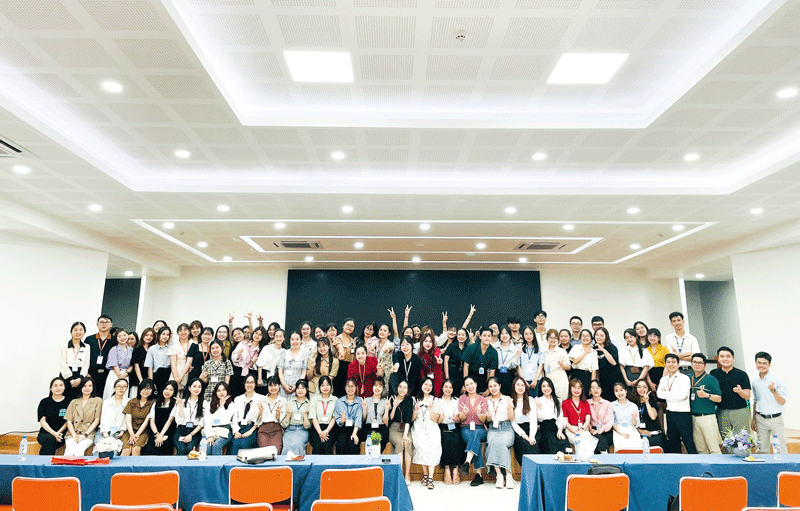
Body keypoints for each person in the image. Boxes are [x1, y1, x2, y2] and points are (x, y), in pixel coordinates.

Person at [657, 354, 697, 454]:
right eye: (668, 362)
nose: (671, 364)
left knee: (688, 442)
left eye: (673, 362)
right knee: (673, 443)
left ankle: (696, 462)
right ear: (665, 364)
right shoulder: (663, 379)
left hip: (683, 414)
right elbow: (659, 395)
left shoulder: (684, 378)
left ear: (678, 364)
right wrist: (675, 394)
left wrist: (667, 394)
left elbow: (682, 395)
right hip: (670, 414)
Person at [710, 346, 752, 437]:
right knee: (727, 440)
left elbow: (747, 395)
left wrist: (740, 391)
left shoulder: (742, 374)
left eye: (728, 356)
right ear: (718, 359)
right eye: (722, 356)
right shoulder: (713, 373)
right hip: (721, 412)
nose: (725, 359)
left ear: (733, 359)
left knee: (743, 440)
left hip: (739, 411)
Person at [751, 351, 787, 454]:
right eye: (759, 362)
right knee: (762, 450)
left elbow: (782, 401)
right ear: (756, 363)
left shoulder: (779, 380)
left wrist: (773, 391)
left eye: (764, 363)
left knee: (780, 449)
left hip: (775, 419)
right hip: (760, 419)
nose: (761, 365)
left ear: (769, 364)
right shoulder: (754, 381)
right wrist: (754, 419)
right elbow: (755, 401)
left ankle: (783, 465)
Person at [456, 376, 489, 487]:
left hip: (480, 428)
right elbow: (461, 419)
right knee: (475, 441)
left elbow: (484, 420)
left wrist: (479, 413)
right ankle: (478, 475)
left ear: (476, 384)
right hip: (466, 428)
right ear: (465, 387)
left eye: (471, 384)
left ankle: (467, 462)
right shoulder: (462, 398)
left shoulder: (482, 399)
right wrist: (464, 414)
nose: (470, 387)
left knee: (475, 434)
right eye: (467, 385)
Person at [485, 377, 515, 489]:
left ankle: (508, 474)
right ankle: (499, 475)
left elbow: (511, 418)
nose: (493, 388)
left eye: (495, 386)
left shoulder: (507, 399)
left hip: (506, 427)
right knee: (492, 442)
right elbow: (486, 420)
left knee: (502, 443)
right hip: (493, 428)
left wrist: (510, 410)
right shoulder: (486, 400)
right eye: (490, 386)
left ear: (500, 386)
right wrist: (487, 417)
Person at [689, 353, 722, 454]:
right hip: (693, 418)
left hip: (707, 417)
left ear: (705, 365)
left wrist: (707, 395)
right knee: (701, 450)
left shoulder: (711, 379)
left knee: (714, 449)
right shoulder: (688, 378)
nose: (697, 364)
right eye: (695, 362)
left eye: (700, 363)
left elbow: (719, 398)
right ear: (691, 364)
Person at [412, 377, 442, 490]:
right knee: (422, 447)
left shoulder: (435, 400)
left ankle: (430, 478)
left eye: (430, 385)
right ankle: (425, 474)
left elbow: (436, 419)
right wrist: (415, 411)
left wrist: (431, 410)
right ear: (421, 385)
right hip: (419, 427)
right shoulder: (415, 399)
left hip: (432, 427)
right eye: (425, 384)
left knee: (432, 448)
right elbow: (412, 419)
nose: (427, 387)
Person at [434, 379, 465, 485]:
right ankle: (447, 470)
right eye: (446, 387)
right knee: (444, 439)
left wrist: (457, 419)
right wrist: (440, 418)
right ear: (442, 388)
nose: (448, 389)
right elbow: (436, 420)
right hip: (442, 426)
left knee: (457, 439)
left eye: (450, 387)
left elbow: (460, 419)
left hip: (454, 425)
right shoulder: (437, 401)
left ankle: (456, 470)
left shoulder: (457, 401)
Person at [63, 376, 102, 456]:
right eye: (84, 386)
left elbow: (97, 420)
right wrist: (74, 436)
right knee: (69, 450)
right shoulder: (74, 402)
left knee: (79, 450)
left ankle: (78, 465)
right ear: (80, 387)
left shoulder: (98, 401)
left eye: (90, 386)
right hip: (72, 433)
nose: (87, 388)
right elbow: (68, 421)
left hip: (88, 434)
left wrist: (85, 435)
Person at [386, 379, 415, 486]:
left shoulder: (409, 400)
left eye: (405, 388)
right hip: (394, 428)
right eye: (400, 387)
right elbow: (390, 418)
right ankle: (399, 475)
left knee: (407, 443)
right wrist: (393, 407)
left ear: (407, 390)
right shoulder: (392, 398)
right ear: (397, 388)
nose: (402, 390)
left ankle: (407, 474)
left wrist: (405, 435)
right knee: (399, 443)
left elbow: (408, 419)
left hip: (405, 429)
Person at [120, 379, 155, 456]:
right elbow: (128, 421)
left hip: (143, 431)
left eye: (149, 389)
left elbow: (146, 421)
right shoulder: (132, 402)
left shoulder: (153, 403)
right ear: (140, 389)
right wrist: (132, 434)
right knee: (126, 450)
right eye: (144, 388)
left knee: (136, 448)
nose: (146, 391)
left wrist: (136, 435)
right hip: (130, 430)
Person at [535, 377, 569, 454]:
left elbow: (560, 417)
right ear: (540, 388)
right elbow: (540, 418)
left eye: (548, 386)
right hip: (545, 428)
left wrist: (560, 430)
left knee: (564, 443)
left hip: (557, 427)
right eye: (543, 386)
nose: (546, 388)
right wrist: (540, 408)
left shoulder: (558, 400)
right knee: (551, 444)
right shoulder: (538, 400)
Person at [230, 374, 262, 455]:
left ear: (255, 384)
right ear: (244, 384)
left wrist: (250, 431)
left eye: (252, 382)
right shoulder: (238, 399)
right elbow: (234, 418)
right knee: (235, 445)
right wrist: (236, 431)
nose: (249, 385)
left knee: (245, 444)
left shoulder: (261, 398)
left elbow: (260, 419)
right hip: (239, 427)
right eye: (247, 382)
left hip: (252, 428)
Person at [144, 380, 178, 456]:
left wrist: (161, 435)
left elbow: (170, 421)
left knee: (164, 450)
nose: (167, 392)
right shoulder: (156, 403)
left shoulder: (175, 404)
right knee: (150, 451)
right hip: (155, 431)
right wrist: (157, 434)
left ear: (174, 392)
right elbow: (152, 421)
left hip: (168, 431)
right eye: (166, 389)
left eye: (171, 390)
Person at [37, 377, 69, 455]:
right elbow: (42, 421)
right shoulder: (44, 402)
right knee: (50, 439)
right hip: (46, 432)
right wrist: (54, 434)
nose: (58, 388)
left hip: (62, 433)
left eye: (61, 385)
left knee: (50, 440)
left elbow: (68, 421)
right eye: (55, 386)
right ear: (51, 388)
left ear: (64, 387)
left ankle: (43, 461)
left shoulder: (69, 402)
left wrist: (58, 433)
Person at [510, 376, 538, 467]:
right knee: (524, 444)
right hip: (518, 430)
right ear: (514, 386)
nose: (520, 387)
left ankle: (535, 472)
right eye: (518, 385)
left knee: (534, 444)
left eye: (522, 385)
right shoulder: (511, 401)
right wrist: (523, 434)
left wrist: (531, 435)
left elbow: (533, 419)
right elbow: (512, 421)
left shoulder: (530, 400)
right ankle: (526, 471)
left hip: (531, 428)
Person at [462, 327, 499, 395]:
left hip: (483, 379)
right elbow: (466, 366)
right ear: (480, 336)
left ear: (491, 337)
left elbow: (492, 372)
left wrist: (489, 389)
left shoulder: (494, 352)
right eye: (484, 335)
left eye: (489, 336)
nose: (486, 338)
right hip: (470, 377)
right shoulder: (471, 348)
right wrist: (465, 384)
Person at [85, 315, 114, 396]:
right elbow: (84, 357)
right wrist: (85, 372)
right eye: (101, 322)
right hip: (91, 373)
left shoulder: (115, 340)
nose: (104, 324)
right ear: (97, 324)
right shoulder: (89, 339)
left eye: (106, 322)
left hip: (107, 374)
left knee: (104, 397)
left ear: (111, 324)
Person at [61, 322, 90, 402]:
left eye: (81, 330)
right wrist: (70, 379)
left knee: (79, 400)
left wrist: (80, 378)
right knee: (65, 400)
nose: (78, 332)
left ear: (84, 332)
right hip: (67, 376)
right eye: (75, 330)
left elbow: (86, 364)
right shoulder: (64, 346)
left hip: (80, 376)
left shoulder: (87, 347)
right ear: (71, 332)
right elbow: (63, 364)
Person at [537, 329, 570, 400]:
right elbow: (541, 366)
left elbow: (569, 367)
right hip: (548, 379)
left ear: (557, 339)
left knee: (561, 400)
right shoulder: (543, 351)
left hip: (560, 380)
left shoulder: (561, 351)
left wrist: (562, 365)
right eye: (550, 338)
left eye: (555, 338)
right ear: (547, 339)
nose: (552, 340)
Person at [174, 378, 204, 455]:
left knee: (189, 449)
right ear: (189, 388)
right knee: (181, 449)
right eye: (194, 386)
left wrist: (191, 435)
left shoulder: (204, 403)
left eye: (199, 387)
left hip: (195, 432)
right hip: (181, 430)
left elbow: (201, 423)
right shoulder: (182, 401)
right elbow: (179, 421)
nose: (197, 389)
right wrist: (181, 407)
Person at [204, 382, 234, 455]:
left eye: (223, 390)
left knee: (216, 445)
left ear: (227, 391)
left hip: (225, 430)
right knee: (208, 445)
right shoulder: (209, 404)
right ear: (215, 393)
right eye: (219, 390)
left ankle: (216, 463)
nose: (221, 392)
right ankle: (208, 463)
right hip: (212, 430)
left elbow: (226, 420)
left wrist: (221, 406)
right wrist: (210, 436)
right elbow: (207, 421)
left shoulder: (231, 404)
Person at [257, 376, 287, 451]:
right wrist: (260, 412)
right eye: (270, 385)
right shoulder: (261, 400)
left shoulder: (283, 400)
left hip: (276, 429)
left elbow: (282, 421)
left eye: (275, 385)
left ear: (279, 386)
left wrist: (278, 414)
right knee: (265, 452)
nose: (273, 388)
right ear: (267, 387)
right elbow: (256, 421)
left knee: (277, 450)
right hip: (264, 430)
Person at [278, 331, 311, 399]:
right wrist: (284, 385)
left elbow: (304, 372)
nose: (295, 342)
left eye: (297, 339)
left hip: (298, 389)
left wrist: (296, 386)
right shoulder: (284, 353)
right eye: (292, 339)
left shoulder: (305, 353)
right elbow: (280, 371)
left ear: (301, 341)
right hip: (283, 388)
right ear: (289, 341)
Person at [309, 376, 338, 454]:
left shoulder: (335, 399)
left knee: (327, 446)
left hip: (330, 428)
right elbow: (313, 418)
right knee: (317, 446)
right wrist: (320, 433)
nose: (325, 387)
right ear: (319, 387)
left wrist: (326, 431)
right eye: (322, 385)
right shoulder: (314, 400)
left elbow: (334, 418)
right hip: (316, 428)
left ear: (331, 386)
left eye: (327, 385)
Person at [281, 379, 311, 455]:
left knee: (297, 444)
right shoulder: (289, 402)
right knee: (287, 445)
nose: (300, 390)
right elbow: (284, 425)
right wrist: (288, 414)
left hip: (302, 430)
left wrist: (305, 414)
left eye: (303, 388)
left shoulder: (309, 404)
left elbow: (307, 426)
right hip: (290, 429)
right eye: (298, 388)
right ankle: (286, 462)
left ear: (307, 389)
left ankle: (298, 462)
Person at [334, 378, 363, 455]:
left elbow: (358, 418)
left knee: (353, 442)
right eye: (348, 386)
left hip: (355, 428)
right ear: (345, 387)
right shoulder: (339, 401)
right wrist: (341, 420)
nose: (350, 389)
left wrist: (354, 433)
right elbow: (337, 418)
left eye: (352, 386)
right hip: (343, 427)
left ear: (356, 388)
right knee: (341, 443)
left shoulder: (359, 401)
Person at [97, 378, 129, 448]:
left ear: (127, 388)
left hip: (119, 432)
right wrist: (105, 434)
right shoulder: (106, 402)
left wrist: (122, 431)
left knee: (113, 449)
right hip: (104, 431)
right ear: (114, 388)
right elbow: (103, 419)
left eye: (124, 386)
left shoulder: (128, 402)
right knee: (100, 448)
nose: (121, 388)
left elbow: (127, 420)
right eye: (119, 386)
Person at [361, 379, 390, 453]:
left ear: (383, 388)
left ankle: (376, 455)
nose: (377, 388)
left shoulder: (385, 401)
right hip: (369, 427)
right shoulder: (366, 400)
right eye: (375, 386)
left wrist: (387, 409)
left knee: (382, 438)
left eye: (380, 386)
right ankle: (372, 455)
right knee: (371, 437)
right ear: (372, 387)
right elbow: (364, 418)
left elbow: (385, 421)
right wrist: (364, 409)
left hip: (381, 427)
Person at [230, 326, 260, 398]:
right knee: (237, 394)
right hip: (239, 372)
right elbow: (233, 357)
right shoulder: (242, 344)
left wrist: (252, 363)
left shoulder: (259, 347)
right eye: (235, 335)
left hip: (251, 372)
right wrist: (238, 355)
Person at [634, 380, 665, 448]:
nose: (642, 389)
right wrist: (640, 431)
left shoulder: (652, 401)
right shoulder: (633, 404)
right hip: (639, 434)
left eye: (644, 387)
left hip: (654, 434)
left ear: (648, 389)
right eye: (639, 387)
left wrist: (647, 402)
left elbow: (653, 416)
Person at [104, 329, 133, 399]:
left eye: (124, 335)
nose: (122, 338)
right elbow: (114, 364)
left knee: (124, 395)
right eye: (119, 336)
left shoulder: (131, 349)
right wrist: (119, 375)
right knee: (112, 393)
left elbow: (132, 364)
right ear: (116, 339)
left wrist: (126, 373)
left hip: (126, 374)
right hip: (115, 374)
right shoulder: (114, 349)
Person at [562, 378, 591, 448]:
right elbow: (565, 422)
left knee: (588, 441)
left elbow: (587, 420)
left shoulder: (585, 403)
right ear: (570, 389)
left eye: (578, 388)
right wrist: (575, 432)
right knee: (579, 442)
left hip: (583, 429)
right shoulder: (565, 403)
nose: (576, 390)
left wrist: (582, 430)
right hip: (571, 430)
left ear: (582, 389)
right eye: (574, 388)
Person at [611, 382, 640, 451]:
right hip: (618, 430)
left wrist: (634, 418)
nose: (619, 393)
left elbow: (636, 425)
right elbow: (613, 423)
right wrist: (621, 433)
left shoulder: (633, 406)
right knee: (621, 448)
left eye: (621, 390)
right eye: (616, 391)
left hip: (631, 429)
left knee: (636, 447)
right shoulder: (611, 405)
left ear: (626, 391)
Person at [332, 318, 357, 396]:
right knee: (338, 391)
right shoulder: (337, 338)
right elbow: (339, 346)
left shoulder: (353, 341)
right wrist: (341, 352)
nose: (349, 327)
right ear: (343, 326)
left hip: (350, 369)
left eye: (351, 326)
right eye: (347, 325)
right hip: (339, 368)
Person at [568, 330, 598, 394]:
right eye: (583, 336)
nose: (585, 338)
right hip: (576, 374)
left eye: (587, 336)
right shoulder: (576, 347)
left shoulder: (594, 352)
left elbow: (594, 370)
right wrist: (585, 352)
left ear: (591, 339)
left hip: (587, 376)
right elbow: (575, 361)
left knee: (585, 396)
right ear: (580, 338)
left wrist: (592, 385)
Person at [587, 380, 613, 453]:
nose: (596, 390)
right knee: (598, 439)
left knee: (603, 439)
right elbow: (586, 419)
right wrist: (590, 429)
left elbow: (610, 420)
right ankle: (604, 455)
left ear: (601, 390)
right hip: (593, 430)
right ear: (590, 390)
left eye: (598, 388)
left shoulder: (607, 403)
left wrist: (602, 430)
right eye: (593, 388)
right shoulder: (587, 403)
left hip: (605, 430)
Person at [594, 327, 618, 401]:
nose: (599, 337)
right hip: (601, 379)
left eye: (602, 336)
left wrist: (603, 350)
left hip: (613, 378)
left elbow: (614, 362)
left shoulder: (611, 347)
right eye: (597, 335)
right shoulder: (593, 348)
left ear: (606, 337)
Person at [256, 328, 284, 394]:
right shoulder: (267, 348)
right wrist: (259, 378)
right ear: (274, 337)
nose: (279, 338)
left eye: (281, 336)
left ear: (284, 338)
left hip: (275, 376)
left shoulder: (284, 352)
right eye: (277, 336)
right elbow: (260, 364)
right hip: (263, 375)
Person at [145, 326, 173, 393]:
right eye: (163, 334)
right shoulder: (152, 349)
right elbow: (150, 367)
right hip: (157, 375)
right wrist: (151, 382)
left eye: (167, 335)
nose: (165, 336)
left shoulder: (171, 347)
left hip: (168, 375)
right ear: (159, 335)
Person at [494, 327, 520, 397]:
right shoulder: (495, 347)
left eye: (506, 333)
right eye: (502, 333)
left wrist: (517, 355)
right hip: (496, 374)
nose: (504, 335)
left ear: (510, 335)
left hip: (509, 375)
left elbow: (514, 366)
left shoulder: (514, 349)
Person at [168, 323, 195, 389]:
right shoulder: (174, 347)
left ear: (189, 332)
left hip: (190, 375)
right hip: (177, 373)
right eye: (180, 330)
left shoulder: (193, 345)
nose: (183, 332)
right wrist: (177, 380)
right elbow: (173, 364)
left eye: (185, 330)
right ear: (177, 333)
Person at [444, 328, 469, 396]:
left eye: (463, 335)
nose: (461, 337)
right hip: (451, 373)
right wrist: (447, 378)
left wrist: (465, 383)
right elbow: (446, 361)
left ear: (466, 337)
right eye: (459, 335)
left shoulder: (468, 348)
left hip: (462, 374)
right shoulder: (451, 346)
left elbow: (467, 365)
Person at [417, 333, 444, 397]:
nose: (428, 344)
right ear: (422, 342)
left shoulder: (436, 351)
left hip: (437, 379)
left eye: (430, 342)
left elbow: (437, 356)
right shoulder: (419, 355)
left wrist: (439, 360)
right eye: (426, 341)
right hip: (425, 380)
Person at [131, 328, 155, 397]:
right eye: (147, 335)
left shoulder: (153, 349)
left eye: (151, 336)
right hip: (138, 378)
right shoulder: (137, 349)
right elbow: (136, 366)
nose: (149, 337)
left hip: (150, 378)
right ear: (143, 336)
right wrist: (141, 380)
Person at [518, 326, 541, 396]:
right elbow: (518, 366)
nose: (528, 336)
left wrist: (535, 380)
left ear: (534, 334)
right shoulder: (519, 348)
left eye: (530, 334)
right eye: (526, 334)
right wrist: (524, 381)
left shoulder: (539, 348)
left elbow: (541, 365)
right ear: (523, 335)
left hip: (536, 380)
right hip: (524, 379)